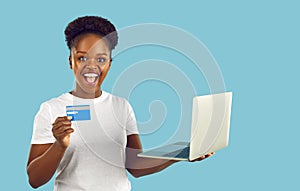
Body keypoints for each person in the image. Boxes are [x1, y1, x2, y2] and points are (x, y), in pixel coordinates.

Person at [26, 15, 214, 191]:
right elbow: (34, 180)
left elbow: (135, 166)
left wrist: (181, 153)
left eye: (101, 59)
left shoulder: (121, 106)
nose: (91, 65)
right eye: (82, 57)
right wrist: (59, 145)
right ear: (71, 62)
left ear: (109, 63)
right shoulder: (51, 109)